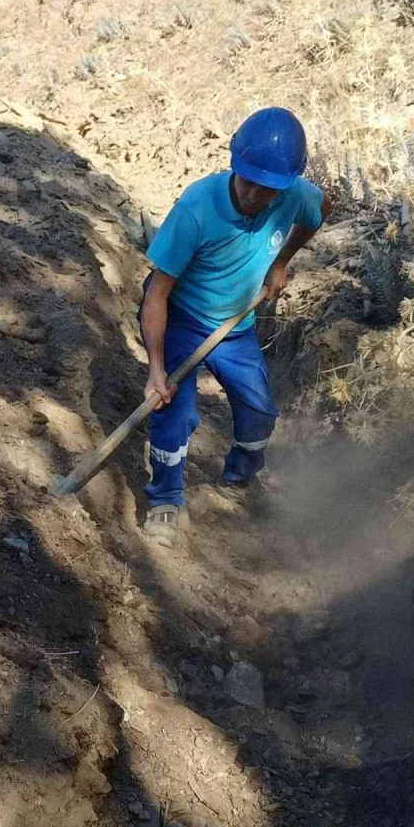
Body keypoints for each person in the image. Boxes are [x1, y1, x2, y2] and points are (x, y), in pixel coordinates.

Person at [140, 106, 331, 547]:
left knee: (260, 410)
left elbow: (320, 209)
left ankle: (240, 482)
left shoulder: (293, 195)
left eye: (268, 189)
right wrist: (156, 367)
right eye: (248, 182)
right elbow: (156, 294)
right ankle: (166, 501)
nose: (254, 195)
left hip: (237, 322)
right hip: (182, 317)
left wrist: (281, 262)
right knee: (174, 411)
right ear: (234, 164)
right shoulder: (196, 209)